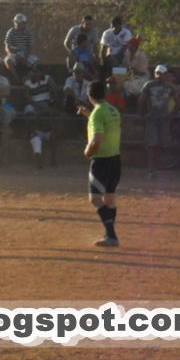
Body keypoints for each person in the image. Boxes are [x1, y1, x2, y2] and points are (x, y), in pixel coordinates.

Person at [77, 80, 122, 247]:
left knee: (95, 199)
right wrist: (89, 115)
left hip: (101, 161)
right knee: (109, 198)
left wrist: (87, 152)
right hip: (115, 160)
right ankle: (110, 235)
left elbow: (96, 141)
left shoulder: (98, 113)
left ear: (90, 96)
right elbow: (108, 129)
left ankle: (111, 236)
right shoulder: (112, 110)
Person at [138, 65, 179, 178]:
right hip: (152, 119)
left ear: (166, 74)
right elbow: (141, 100)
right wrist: (143, 114)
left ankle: (156, 169)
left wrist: (173, 114)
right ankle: (151, 170)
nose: (159, 75)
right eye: (157, 73)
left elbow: (177, 101)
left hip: (164, 119)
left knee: (162, 145)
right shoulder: (149, 85)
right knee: (152, 145)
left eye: (162, 73)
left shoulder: (170, 87)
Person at [4, 13, 37, 84]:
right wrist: (13, 54)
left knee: (36, 63)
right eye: (15, 22)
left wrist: (25, 57)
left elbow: (30, 47)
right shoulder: (11, 31)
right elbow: (7, 46)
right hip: (14, 52)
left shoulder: (29, 32)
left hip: (25, 53)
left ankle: (26, 78)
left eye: (19, 23)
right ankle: (17, 79)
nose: (17, 24)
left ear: (24, 23)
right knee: (7, 61)